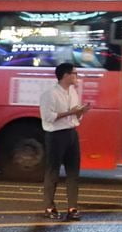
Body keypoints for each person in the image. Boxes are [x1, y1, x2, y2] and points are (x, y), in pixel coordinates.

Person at [38, 62, 90, 221]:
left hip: (71, 133)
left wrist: (80, 112)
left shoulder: (73, 92)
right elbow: (48, 117)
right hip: (55, 135)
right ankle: (49, 207)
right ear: (65, 75)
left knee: (73, 173)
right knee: (53, 172)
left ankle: (72, 208)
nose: (77, 76)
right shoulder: (50, 94)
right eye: (74, 73)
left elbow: (75, 115)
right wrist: (70, 112)